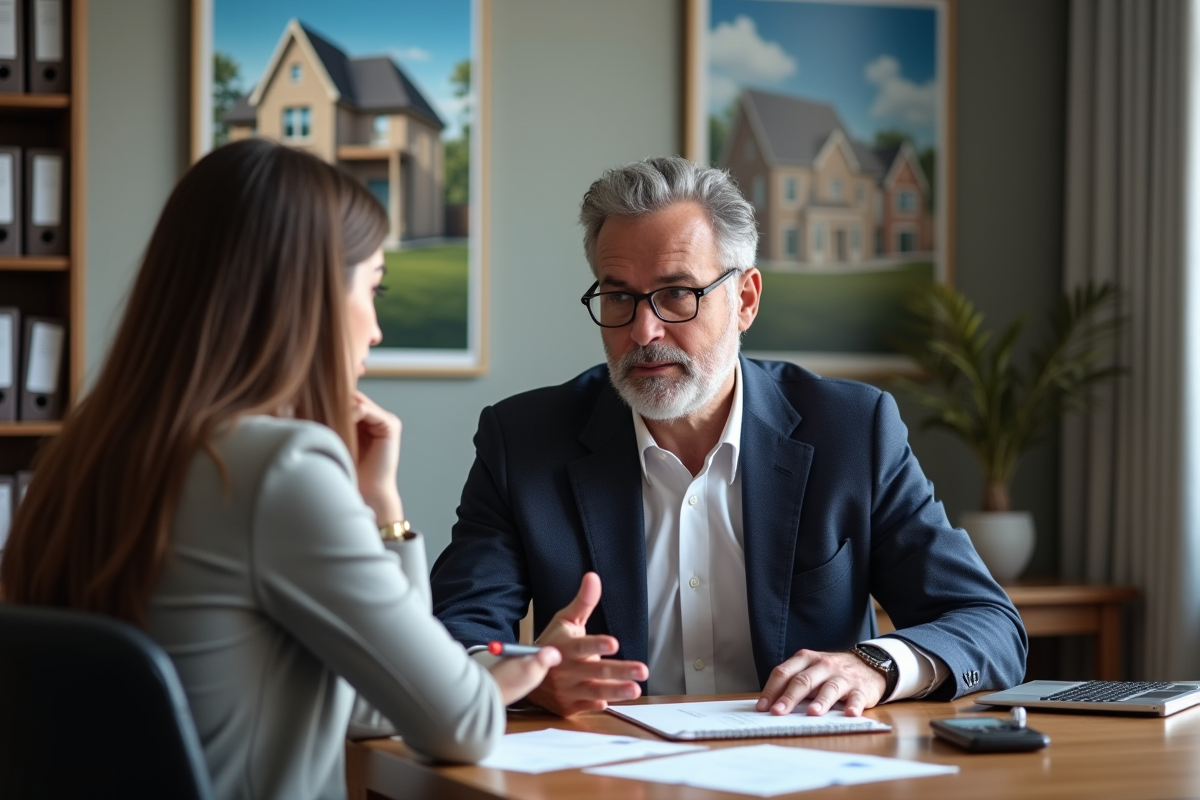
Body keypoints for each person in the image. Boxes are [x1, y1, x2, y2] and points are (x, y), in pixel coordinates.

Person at [0, 139, 559, 800]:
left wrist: (376, 500)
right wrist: (503, 679)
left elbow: (370, 706)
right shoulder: (279, 469)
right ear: (310, 294)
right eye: (372, 287)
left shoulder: (84, 449)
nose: (375, 329)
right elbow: (457, 723)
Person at [430, 155, 1027, 719]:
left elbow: (987, 623)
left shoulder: (852, 431)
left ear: (744, 300)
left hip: (805, 773)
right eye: (619, 296)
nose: (643, 330)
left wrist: (874, 666)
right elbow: (455, 632)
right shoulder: (525, 441)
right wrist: (525, 678)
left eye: (676, 294)